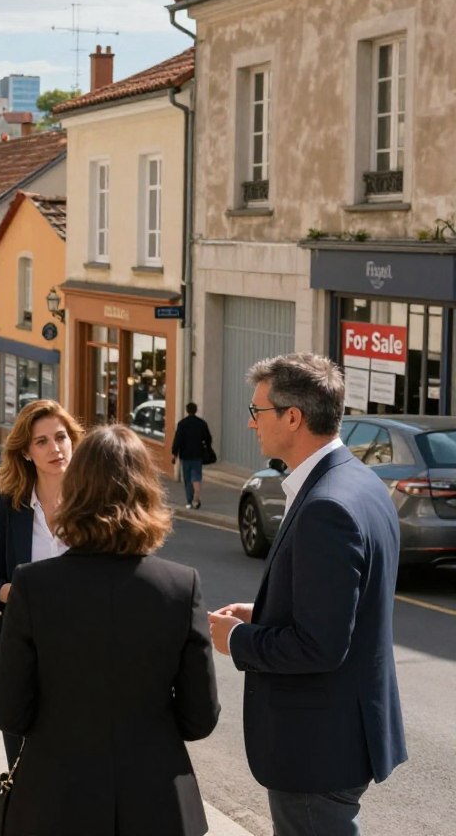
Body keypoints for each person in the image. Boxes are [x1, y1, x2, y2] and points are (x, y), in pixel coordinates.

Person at [209, 353, 406, 836]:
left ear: (293, 417)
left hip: (318, 748)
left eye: (258, 411)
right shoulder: (363, 483)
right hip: (340, 735)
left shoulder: (328, 506)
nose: (250, 423)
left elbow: (319, 645)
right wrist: (265, 612)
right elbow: (346, 606)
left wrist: (236, 640)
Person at [0, 424, 220, 835]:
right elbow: (199, 718)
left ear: (75, 492)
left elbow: (10, 710)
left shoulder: (33, 585)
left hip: (54, 801)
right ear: (148, 492)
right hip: (157, 801)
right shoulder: (181, 586)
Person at [0, 398, 83, 764]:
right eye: (42, 441)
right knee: (23, 769)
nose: (55, 448)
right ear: (26, 451)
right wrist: (15, 592)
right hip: (23, 657)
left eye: (61, 437)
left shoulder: (97, 503)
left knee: (77, 767)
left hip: (85, 657)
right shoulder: (9, 507)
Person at [170, 401, 214, 509]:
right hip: (198, 455)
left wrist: (174, 454)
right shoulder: (202, 423)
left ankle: (189, 501)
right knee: (196, 477)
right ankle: (197, 496)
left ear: (187, 410)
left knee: (187, 479)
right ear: (196, 410)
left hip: (185, 455)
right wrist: (206, 448)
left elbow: (178, 440)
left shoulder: (182, 424)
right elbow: (208, 438)